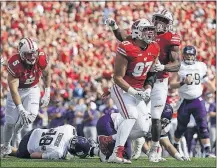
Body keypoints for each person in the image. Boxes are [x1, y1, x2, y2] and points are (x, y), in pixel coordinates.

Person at [105, 9, 181, 162]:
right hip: (131, 86)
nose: (158, 25)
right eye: (157, 19)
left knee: (149, 123)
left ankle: (148, 149)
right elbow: (118, 75)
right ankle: (118, 150)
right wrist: (114, 27)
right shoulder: (132, 43)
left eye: (163, 20)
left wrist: (160, 72)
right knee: (133, 117)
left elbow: (172, 65)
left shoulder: (157, 45)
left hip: (153, 83)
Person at [103, 18, 160, 164]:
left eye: (150, 30)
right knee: (131, 116)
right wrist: (134, 92)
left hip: (139, 90)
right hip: (122, 89)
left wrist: (148, 88)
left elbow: (152, 73)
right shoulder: (127, 47)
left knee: (143, 129)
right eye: (146, 30)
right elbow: (117, 77)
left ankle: (108, 140)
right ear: (136, 32)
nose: (150, 33)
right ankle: (117, 153)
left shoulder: (154, 47)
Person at [1, 38, 51, 157]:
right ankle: (6, 146)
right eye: (29, 54)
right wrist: (20, 108)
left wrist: (47, 92)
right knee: (10, 122)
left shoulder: (41, 57)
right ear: (22, 54)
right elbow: (13, 90)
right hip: (18, 91)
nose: (33, 56)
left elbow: (47, 73)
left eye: (34, 53)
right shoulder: (15, 63)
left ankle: (17, 131)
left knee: (30, 116)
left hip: (33, 88)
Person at [97, 104, 189, 162]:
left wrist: (179, 156)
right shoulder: (146, 123)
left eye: (166, 121)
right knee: (117, 154)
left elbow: (168, 145)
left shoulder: (161, 126)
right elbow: (132, 135)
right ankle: (100, 146)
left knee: (126, 155)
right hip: (109, 122)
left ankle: (97, 150)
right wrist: (150, 154)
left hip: (120, 130)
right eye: (162, 120)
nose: (163, 124)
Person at [170, 45, 216, 158]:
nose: (189, 56)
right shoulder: (180, 67)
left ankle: (207, 151)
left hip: (197, 100)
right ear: (183, 55)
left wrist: (214, 91)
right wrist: (183, 82)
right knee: (181, 127)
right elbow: (171, 84)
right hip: (184, 101)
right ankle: (175, 145)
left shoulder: (201, 66)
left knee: (203, 125)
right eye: (186, 54)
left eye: (191, 54)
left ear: (194, 55)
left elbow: (206, 81)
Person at [8, 124, 98, 160]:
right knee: (18, 154)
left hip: (35, 131)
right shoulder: (58, 152)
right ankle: (6, 149)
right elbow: (33, 155)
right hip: (26, 146)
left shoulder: (70, 128)